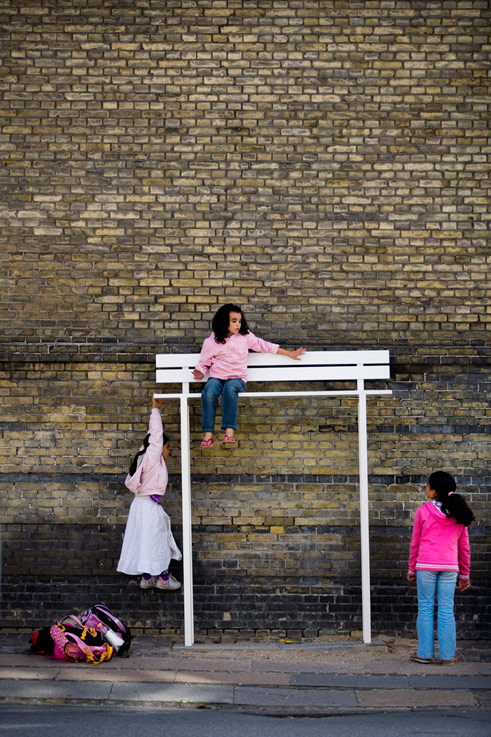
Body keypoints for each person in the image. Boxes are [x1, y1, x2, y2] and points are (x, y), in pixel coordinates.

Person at [192, 303, 306, 447]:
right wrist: (199, 372)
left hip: (237, 378)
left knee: (229, 389)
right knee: (209, 392)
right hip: (217, 377)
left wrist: (289, 353)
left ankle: (229, 433)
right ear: (223, 321)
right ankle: (208, 435)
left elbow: (264, 345)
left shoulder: (245, 337)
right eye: (234, 321)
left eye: (239, 321)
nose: (238, 325)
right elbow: (204, 362)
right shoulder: (211, 342)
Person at [407, 471, 474, 665]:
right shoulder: (458, 513)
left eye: (428, 485)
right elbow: (464, 547)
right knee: (446, 609)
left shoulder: (423, 511)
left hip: (426, 566)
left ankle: (424, 653)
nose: (426, 488)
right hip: (450, 567)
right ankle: (447, 655)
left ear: (435, 490)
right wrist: (464, 574)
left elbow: (415, 543)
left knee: (425, 608)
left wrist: (412, 569)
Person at [117, 397, 182, 591]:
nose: (169, 452)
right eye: (167, 448)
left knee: (145, 541)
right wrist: (156, 410)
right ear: (159, 447)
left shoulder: (145, 457)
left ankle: (147, 577)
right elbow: (154, 436)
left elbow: (150, 438)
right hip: (148, 507)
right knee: (158, 540)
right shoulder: (152, 457)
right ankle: (162, 577)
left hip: (140, 506)